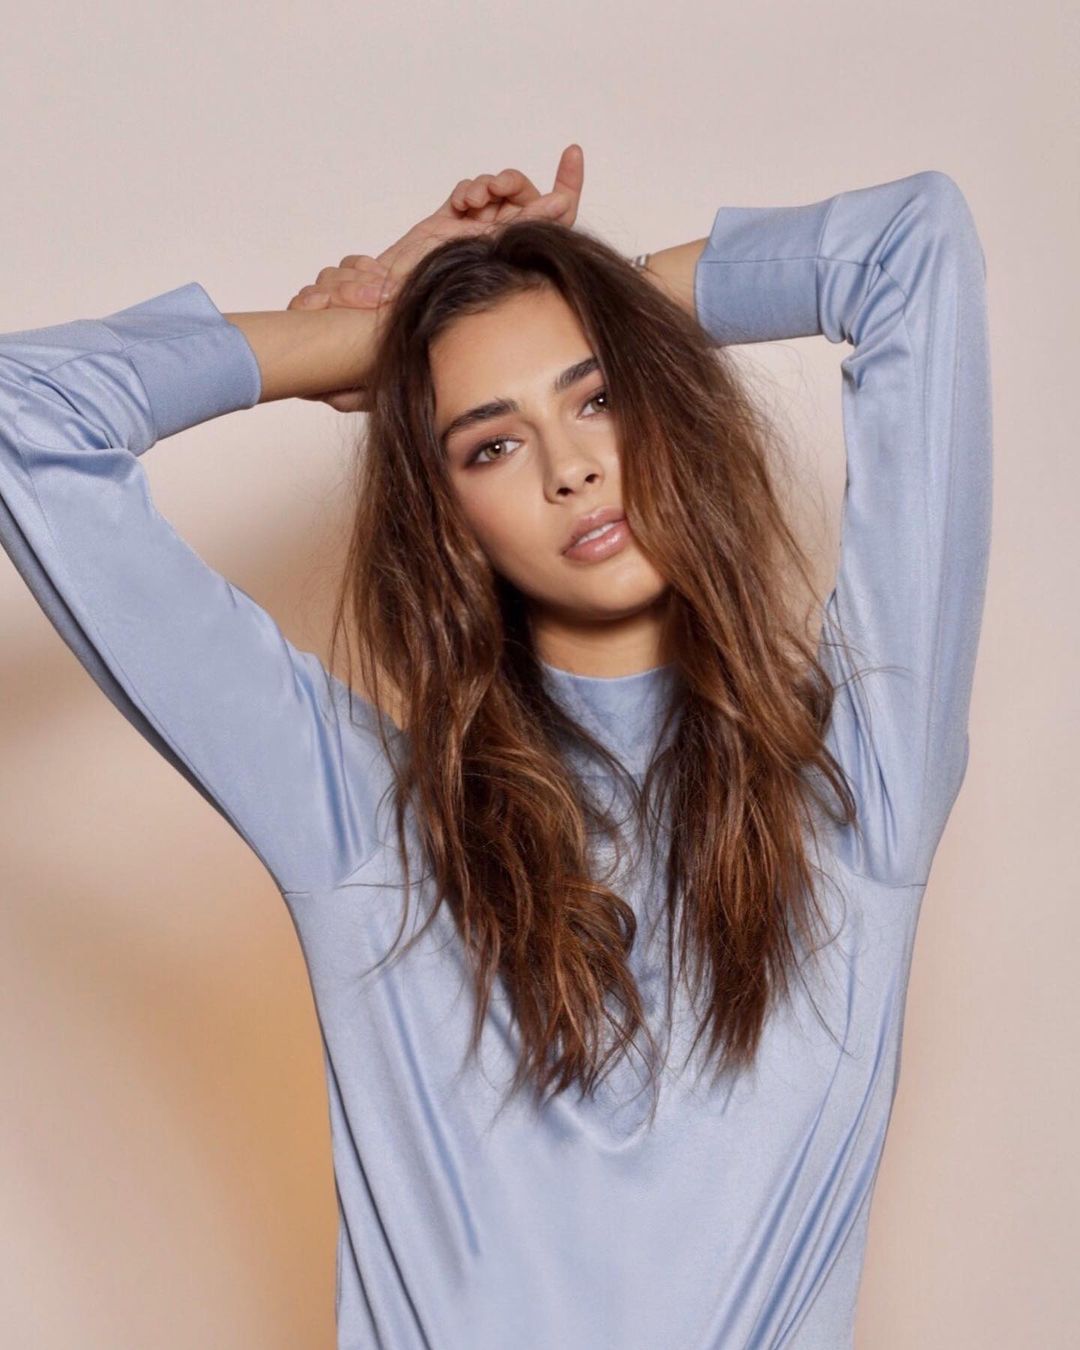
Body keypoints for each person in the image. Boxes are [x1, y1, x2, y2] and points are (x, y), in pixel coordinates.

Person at [0, 143, 992, 1348]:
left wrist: (574, 298)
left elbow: (909, 249)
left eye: (598, 396)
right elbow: (22, 412)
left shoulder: (861, 779)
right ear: (449, 519)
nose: (571, 468)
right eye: (491, 442)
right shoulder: (364, 822)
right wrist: (378, 340)